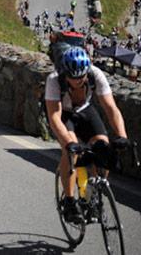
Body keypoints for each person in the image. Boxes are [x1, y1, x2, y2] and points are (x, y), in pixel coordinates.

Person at [45, 47, 129, 223]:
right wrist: (68, 143)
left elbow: (111, 108)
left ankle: (94, 194)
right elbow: (54, 116)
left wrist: (122, 136)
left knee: (103, 147)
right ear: (65, 73)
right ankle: (69, 201)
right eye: (72, 78)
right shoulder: (54, 80)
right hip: (64, 114)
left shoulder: (95, 74)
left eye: (81, 78)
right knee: (72, 151)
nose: (77, 82)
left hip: (85, 111)